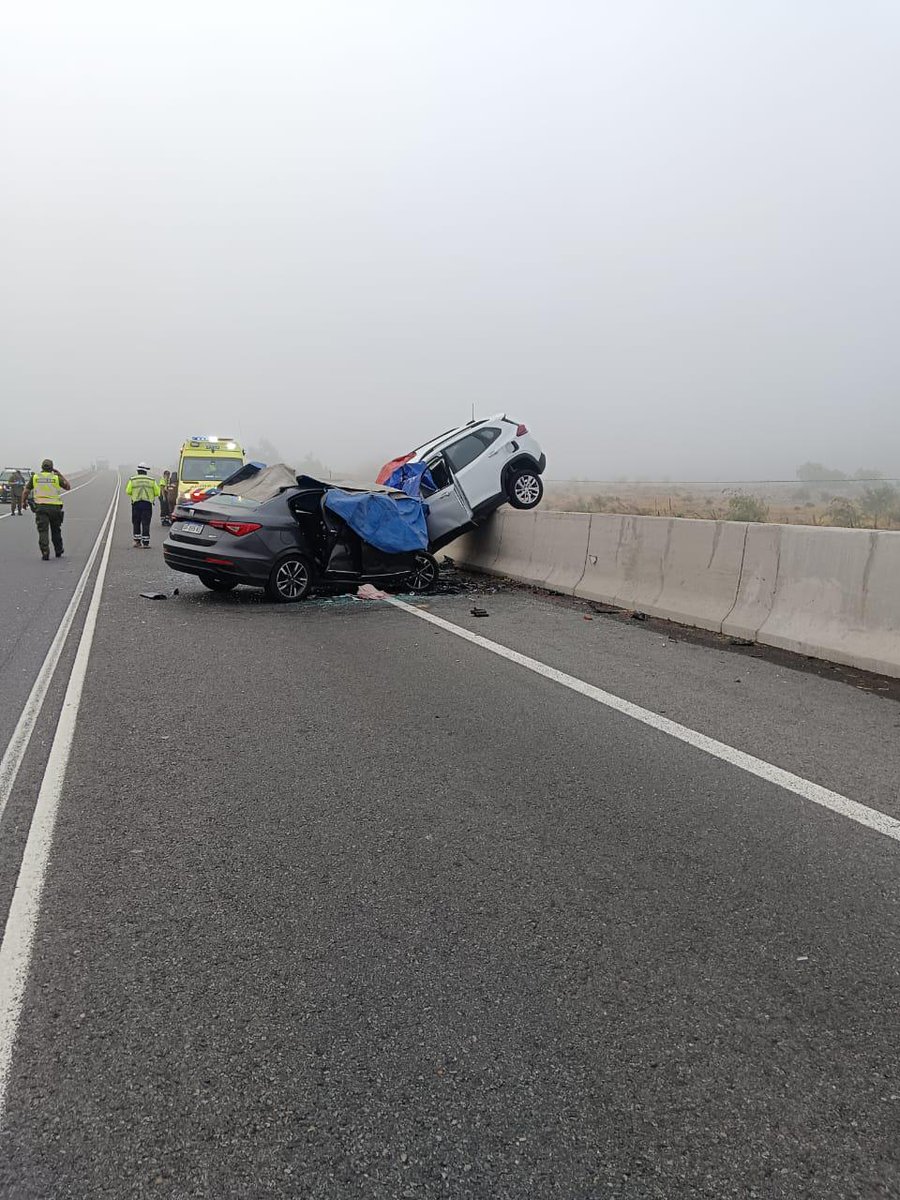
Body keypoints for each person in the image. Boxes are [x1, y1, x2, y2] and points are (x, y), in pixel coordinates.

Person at [21, 459, 71, 560]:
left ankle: (45, 551)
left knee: (43, 531)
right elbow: (68, 487)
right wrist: (60, 475)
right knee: (56, 530)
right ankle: (58, 550)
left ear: (42, 467)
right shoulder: (56, 478)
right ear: (52, 467)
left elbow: (26, 491)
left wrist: (23, 502)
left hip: (41, 507)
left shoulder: (35, 477)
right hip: (55, 508)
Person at [126, 463, 161, 548]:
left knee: (136, 522)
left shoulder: (133, 480)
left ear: (138, 471)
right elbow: (157, 492)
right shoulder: (151, 481)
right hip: (147, 504)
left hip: (136, 504)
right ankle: (146, 543)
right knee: (146, 523)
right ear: (146, 472)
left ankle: (137, 542)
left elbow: (128, 491)